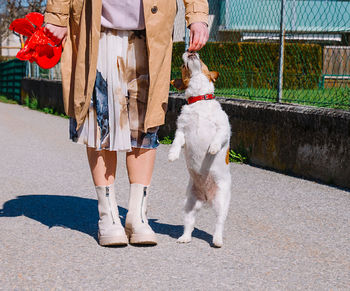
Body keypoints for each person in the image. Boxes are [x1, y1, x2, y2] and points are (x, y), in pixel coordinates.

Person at [44, 0, 209, 246]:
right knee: (98, 121)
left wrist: (197, 14)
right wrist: (56, 14)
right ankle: (108, 215)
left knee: (145, 125)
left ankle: (137, 215)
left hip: (151, 27)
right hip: (94, 27)